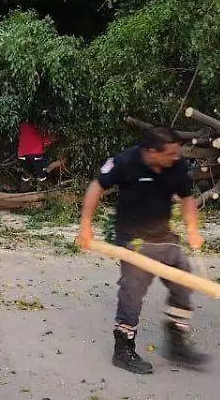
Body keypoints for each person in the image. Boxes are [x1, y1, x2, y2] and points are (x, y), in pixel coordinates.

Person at [76, 126, 210, 375]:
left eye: (176, 153)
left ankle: (177, 343)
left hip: (165, 237)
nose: (175, 157)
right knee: (132, 292)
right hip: (133, 240)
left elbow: (187, 197)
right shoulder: (125, 162)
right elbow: (96, 186)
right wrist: (86, 225)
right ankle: (123, 350)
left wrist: (192, 229)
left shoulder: (177, 165)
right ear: (151, 152)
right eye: (169, 153)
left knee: (183, 282)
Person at [17, 120, 57, 190]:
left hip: (22, 155)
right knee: (41, 171)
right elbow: (46, 140)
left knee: (26, 172)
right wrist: (54, 138)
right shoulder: (40, 127)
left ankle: (23, 188)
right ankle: (42, 185)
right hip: (35, 155)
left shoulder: (22, 125)